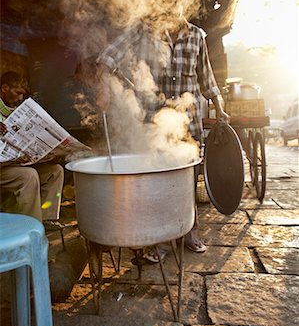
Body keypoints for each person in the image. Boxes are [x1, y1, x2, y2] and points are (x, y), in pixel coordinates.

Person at [95, 19, 229, 260]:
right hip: (155, 121)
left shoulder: (197, 36)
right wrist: (103, 83)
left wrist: (219, 107)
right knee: (159, 181)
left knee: (189, 178)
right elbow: (110, 55)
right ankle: (161, 241)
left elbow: (206, 77)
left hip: (189, 120)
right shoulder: (142, 29)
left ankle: (189, 232)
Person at [0, 71, 64, 230]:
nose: (20, 98)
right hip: (3, 169)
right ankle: (29, 228)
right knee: (29, 176)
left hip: (16, 163)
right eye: (17, 92)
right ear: (4, 88)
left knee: (55, 171)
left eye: (23, 94)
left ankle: (47, 218)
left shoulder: (18, 109)